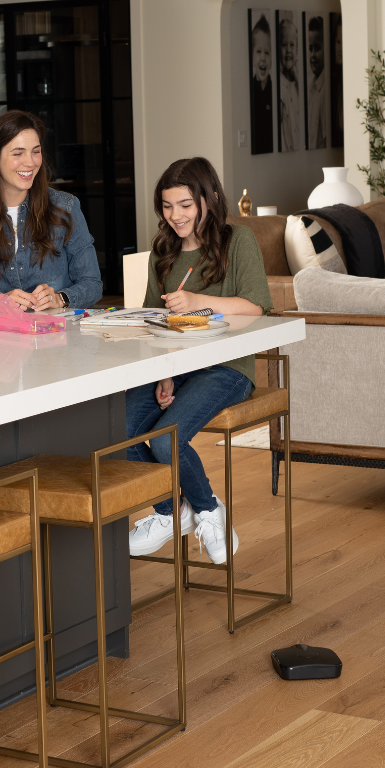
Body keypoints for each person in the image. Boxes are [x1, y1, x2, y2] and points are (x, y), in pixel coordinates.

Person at [124, 157, 274, 565]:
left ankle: (209, 511)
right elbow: (156, 321)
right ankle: (171, 511)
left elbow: (255, 306)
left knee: (164, 439)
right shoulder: (163, 252)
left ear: (210, 199)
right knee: (118, 431)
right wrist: (165, 371)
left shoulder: (237, 240)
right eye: (167, 206)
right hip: (175, 366)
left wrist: (197, 301)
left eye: (186, 205)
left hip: (227, 368)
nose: (175, 216)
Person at [0, 110, 102, 313]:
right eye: (18, 153)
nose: (31, 162)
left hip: (56, 330)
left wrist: (60, 299)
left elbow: (92, 283)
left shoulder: (66, 207)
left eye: (36, 151)